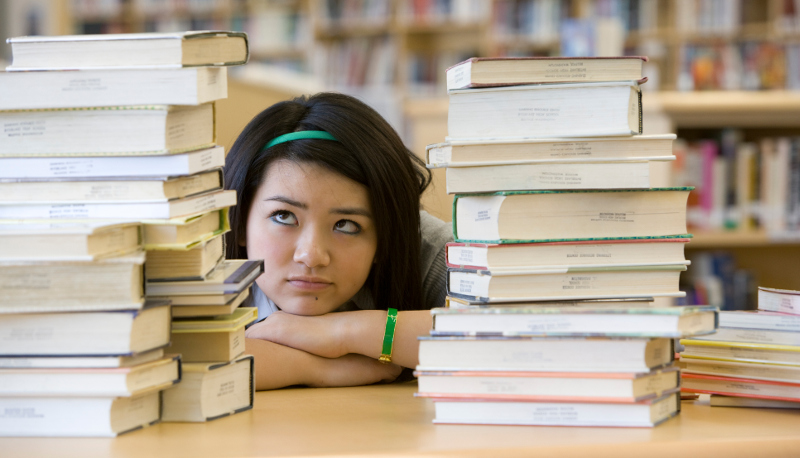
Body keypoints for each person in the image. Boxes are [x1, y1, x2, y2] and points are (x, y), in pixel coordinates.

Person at [224, 92, 453, 390]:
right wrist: (314, 367)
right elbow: (164, 364)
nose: (312, 255)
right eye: (283, 216)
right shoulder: (191, 252)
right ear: (240, 221)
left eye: (346, 225)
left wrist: (346, 332)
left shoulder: (431, 250)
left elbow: (525, 334)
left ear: (386, 236)